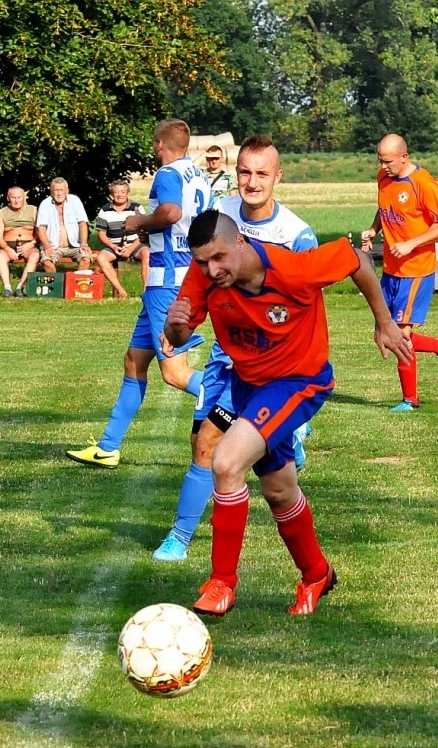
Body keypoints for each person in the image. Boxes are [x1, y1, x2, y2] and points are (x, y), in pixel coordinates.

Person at [166, 210, 412, 617]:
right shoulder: (205, 275)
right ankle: (317, 574)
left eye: (220, 257)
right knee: (279, 490)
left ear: (241, 242)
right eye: (203, 261)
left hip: (300, 382)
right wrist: (176, 329)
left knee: (226, 462)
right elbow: (179, 334)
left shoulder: (294, 267)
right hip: (249, 387)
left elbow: (357, 258)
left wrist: (384, 322)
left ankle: (222, 583)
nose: (212, 269)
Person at [152, 134, 330, 562]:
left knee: (214, 446)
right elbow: (200, 271)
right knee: (214, 449)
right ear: (235, 174)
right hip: (225, 358)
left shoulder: (296, 235)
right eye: (245, 173)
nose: (252, 183)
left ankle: (185, 542)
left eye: (261, 174)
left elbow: (307, 305)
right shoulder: (218, 217)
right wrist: (180, 319)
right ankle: (184, 535)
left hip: (274, 369)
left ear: (277, 177)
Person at [66, 118, 213, 469]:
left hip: (167, 281)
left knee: (175, 373)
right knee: (134, 362)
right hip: (176, 276)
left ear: (161, 143)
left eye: (154, 142)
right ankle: (108, 447)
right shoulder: (198, 175)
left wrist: (139, 223)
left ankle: (246, 407)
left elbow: (171, 212)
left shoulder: (167, 175)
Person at [360, 133, 438, 412]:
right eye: (380, 160)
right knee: (383, 333)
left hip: (416, 270)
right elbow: (385, 209)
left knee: (401, 336)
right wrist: (373, 229)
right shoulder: (383, 177)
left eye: (388, 160)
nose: (383, 165)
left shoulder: (422, 184)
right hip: (391, 269)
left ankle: (410, 400)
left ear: (404, 157)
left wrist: (412, 243)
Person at [93, 179, 148, 299]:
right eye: (116, 192)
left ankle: (146, 291)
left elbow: (144, 232)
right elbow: (101, 233)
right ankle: (121, 292)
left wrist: (130, 248)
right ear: (111, 194)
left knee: (147, 253)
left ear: (127, 193)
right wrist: (113, 246)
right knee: (101, 257)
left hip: (135, 245)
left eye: (123, 192)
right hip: (114, 246)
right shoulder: (105, 210)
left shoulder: (137, 208)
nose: (119, 195)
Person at [35, 178, 92, 273]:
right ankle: (57, 287)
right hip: (53, 246)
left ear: (67, 190)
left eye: (61, 190)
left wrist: (83, 244)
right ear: (51, 192)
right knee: (47, 263)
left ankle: (75, 286)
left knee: (86, 259)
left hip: (75, 245)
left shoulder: (75, 201)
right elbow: (40, 228)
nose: (59, 193)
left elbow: (82, 223)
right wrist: (47, 246)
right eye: (56, 190)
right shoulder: (45, 204)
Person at [0, 186, 40, 296]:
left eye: (19, 197)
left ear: (24, 197)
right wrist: (7, 249)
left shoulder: (33, 210)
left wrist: (32, 243)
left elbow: (40, 232)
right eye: (13, 197)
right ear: (8, 198)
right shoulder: (1, 213)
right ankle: (7, 288)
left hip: (28, 244)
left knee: (35, 255)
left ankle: (21, 287)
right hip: (8, 246)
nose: (16, 200)